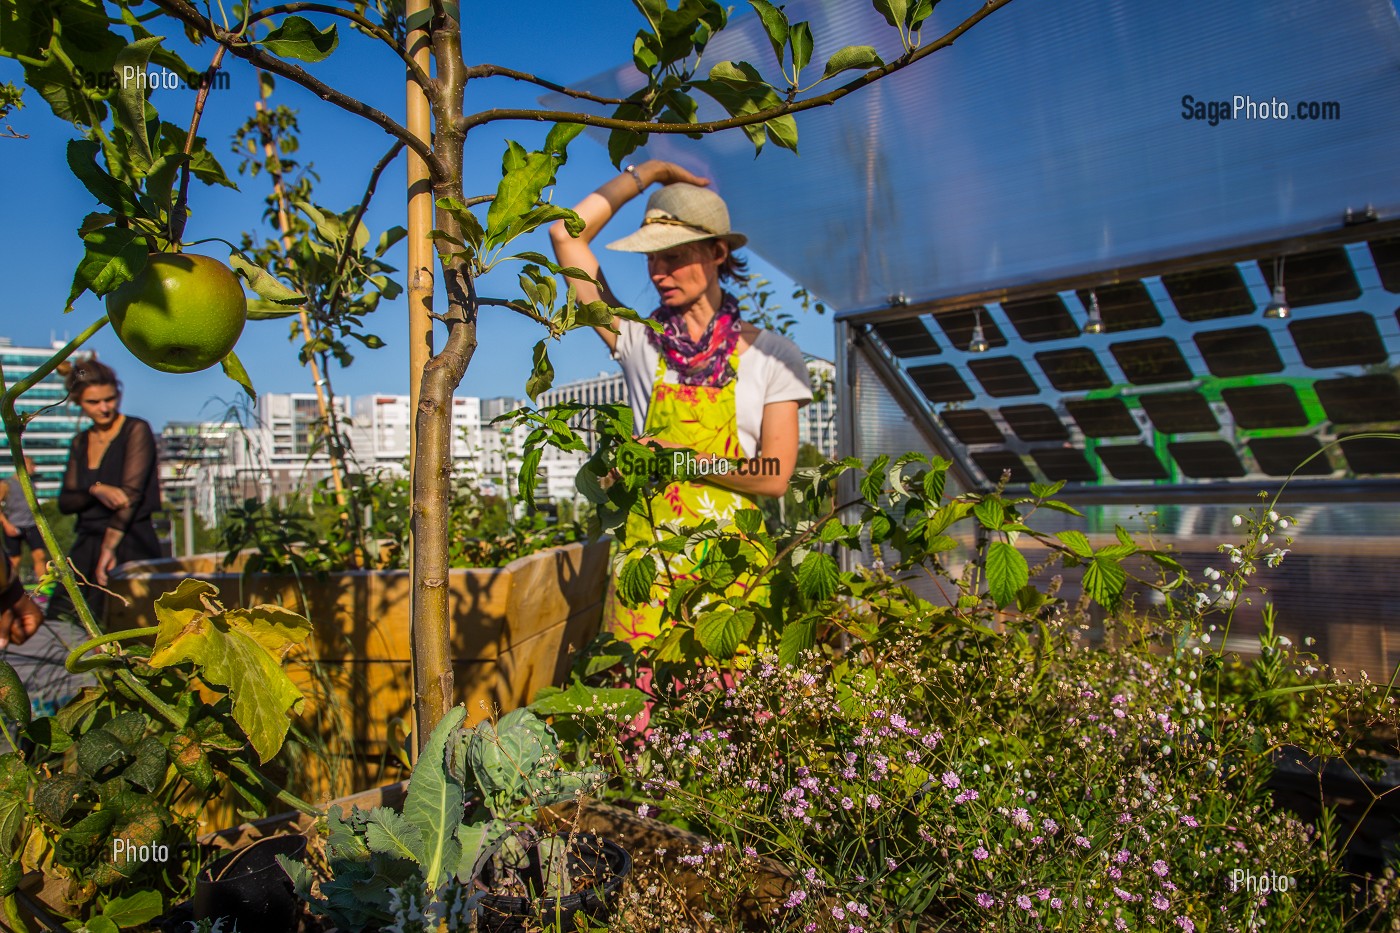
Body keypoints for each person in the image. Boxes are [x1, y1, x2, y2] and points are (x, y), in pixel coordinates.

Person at [550, 160, 812, 648]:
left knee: (727, 712)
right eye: (651, 258)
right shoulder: (635, 339)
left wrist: (682, 458)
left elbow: (775, 475)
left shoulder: (772, 355)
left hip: (730, 573)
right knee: (645, 712)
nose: (658, 272)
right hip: (648, 563)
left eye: (673, 255)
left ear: (717, 252)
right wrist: (648, 172)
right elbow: (565, 237)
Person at [50, 360, 161, 623]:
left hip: (131, 542)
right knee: (64, 620)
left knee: (136, 627)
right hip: (86, 544)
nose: (105, 408)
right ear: (78, 402)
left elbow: (129, 498)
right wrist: (95, 490)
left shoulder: (136, 429)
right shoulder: (81, 441)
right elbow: (66, 501)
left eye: (110, 399)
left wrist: (109, 549)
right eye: (94, 402)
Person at [1, 456, 50, 588]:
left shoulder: (32, 484)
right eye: (32, 465)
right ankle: (11, 588)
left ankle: (43, 587)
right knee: (15, 560)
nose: (34, 468)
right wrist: (6, 524)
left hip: (32, 525)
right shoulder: (6, 484)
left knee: (40, 555)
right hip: (13, 525)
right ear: (23, 465)